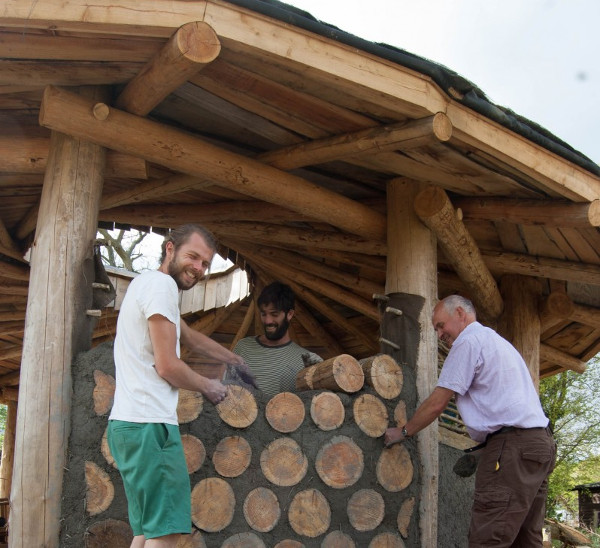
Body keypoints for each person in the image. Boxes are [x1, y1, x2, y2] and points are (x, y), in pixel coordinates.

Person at [107, 224, 254, 548]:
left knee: (147, 531)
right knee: (168, 534)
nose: (199, 268)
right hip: (150, 427)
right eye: (193, 257)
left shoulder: (145, 284)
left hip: (128, 427)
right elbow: (168, 366)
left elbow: (189, 337)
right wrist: (209, 386)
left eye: (206, 263)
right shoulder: (160, 286)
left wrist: (235, 361)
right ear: (170, 249)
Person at [384, 294, 556, 548]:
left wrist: (404, 431)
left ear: (461, 314)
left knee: (488, 539)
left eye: (440, 325)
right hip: (540, 446)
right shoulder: (498, 343)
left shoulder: (468, 341)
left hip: (513, 448)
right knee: (526, 540)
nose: (440, 334)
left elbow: (438, 402)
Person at [232, 281, 322, 397]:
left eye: (274, 314)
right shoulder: (243, 347)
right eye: (264, 314)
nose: (268, 321)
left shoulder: (304, 360)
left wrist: (318, 372)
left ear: (289, 314)